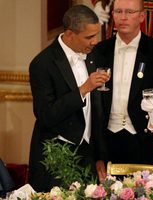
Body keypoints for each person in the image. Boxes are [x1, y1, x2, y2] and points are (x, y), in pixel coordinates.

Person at [28, 4, 109, 192]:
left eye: (96, 35)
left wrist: (99, 156)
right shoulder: (42, 64)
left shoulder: (92, 55)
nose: (95, 41)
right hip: (55, 158)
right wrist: (83, 89)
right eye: (89, 37)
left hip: (87, 156)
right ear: (70, 34)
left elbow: (95, 111)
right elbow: (46, 115)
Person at [94, 0, 153, 168]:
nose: (123, 17)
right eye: (118, 11)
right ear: (112, 15)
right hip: (107, 142)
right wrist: (96, 152)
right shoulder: (99, 51)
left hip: (145, 141)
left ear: (142, 16)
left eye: (129, 12)